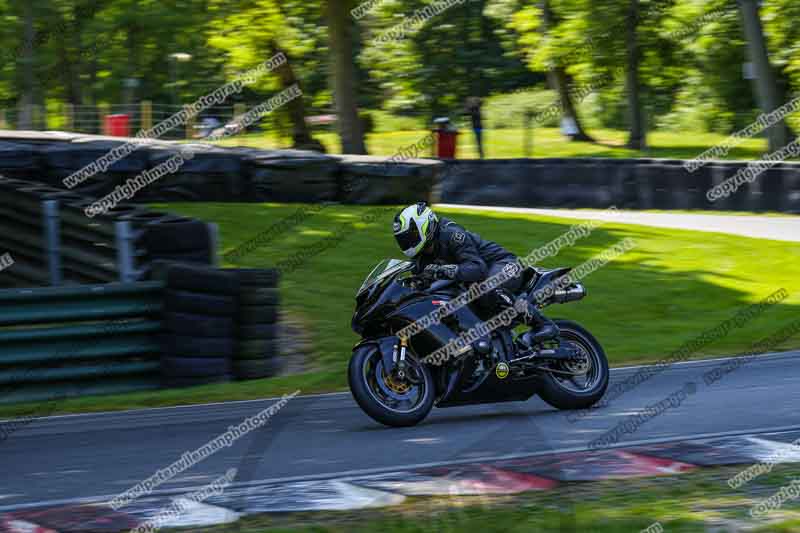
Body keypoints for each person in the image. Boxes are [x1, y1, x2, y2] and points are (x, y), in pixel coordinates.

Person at [392, 202, 558, 344]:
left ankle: (543, 324)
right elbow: (420, 283)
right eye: (403, 239)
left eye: (410, 235)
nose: (407, 242)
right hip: (472, 281)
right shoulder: (421, 258)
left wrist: (447, 271)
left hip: (503, 264)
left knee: (487, 288)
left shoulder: (451, 234)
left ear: (424, 226)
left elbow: (477, 268)